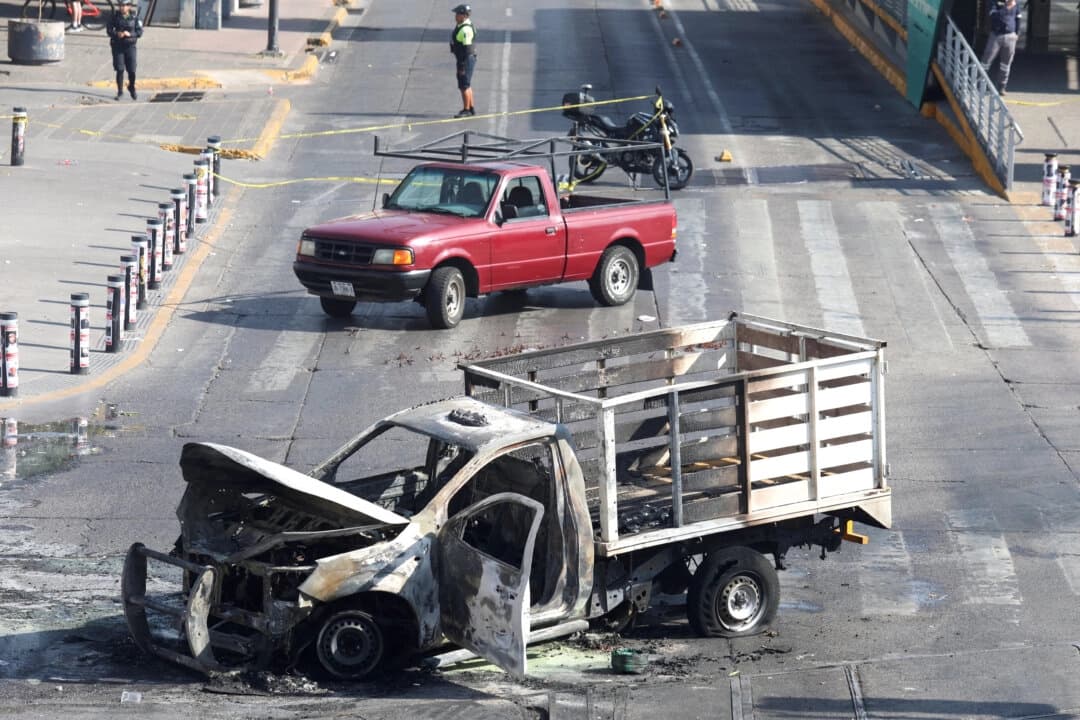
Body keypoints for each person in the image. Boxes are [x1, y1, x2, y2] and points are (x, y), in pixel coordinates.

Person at [981, 0, 1021, 96]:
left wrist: (1017, 33)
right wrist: (1007, 7)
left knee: (1006, 64)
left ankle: (1002, 87)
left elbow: (1018, 18)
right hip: (996, 35)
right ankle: (980, 84)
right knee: (986, 60)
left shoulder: (1016, 3)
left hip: (1010, 36)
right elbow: (994, 16)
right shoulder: (993, 2)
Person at [107, 0, 143, 101]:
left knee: (132, 70)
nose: (123, 7)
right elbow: (109, 30)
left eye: (125, 5)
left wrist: (130, 34)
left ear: (129, 7)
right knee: (120, 69)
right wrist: (117, 34)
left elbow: (139, 32)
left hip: (130, 46)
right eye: (121, 5)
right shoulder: (115, 17)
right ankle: (120, 91)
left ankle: (131, 86)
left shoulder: (135, 17)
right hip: (118, 46)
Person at [450, 4, 477, 118]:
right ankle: (471, 108)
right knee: (467, 84)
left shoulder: (466, 29)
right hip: (466, 58)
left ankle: (466, 110)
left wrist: (461, 65)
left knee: (463, 85)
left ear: (464, 16)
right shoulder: (465, 24)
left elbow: (466, 49)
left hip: (465, 59)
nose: (455, 16)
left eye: (457, 14)